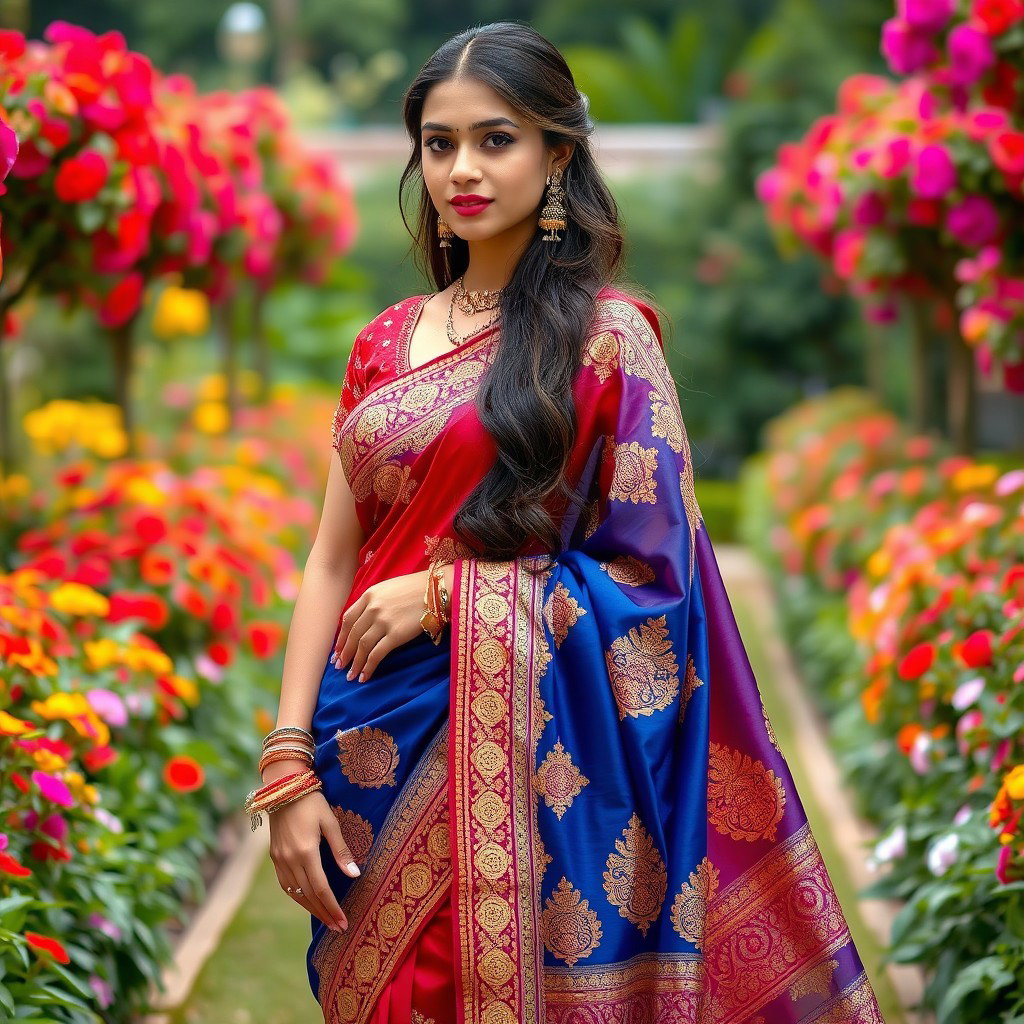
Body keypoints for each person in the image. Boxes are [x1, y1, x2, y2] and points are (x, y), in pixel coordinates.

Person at [249, 21, 885, 1024]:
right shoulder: (382, 342)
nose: (463, 169)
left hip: (530, 770)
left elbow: (655, 586)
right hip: (363, 750)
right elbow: (331, 559)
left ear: (555, 156)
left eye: (495, 139)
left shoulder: (607, 342)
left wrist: (449, 595)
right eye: (439, 143)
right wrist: (288, 763)